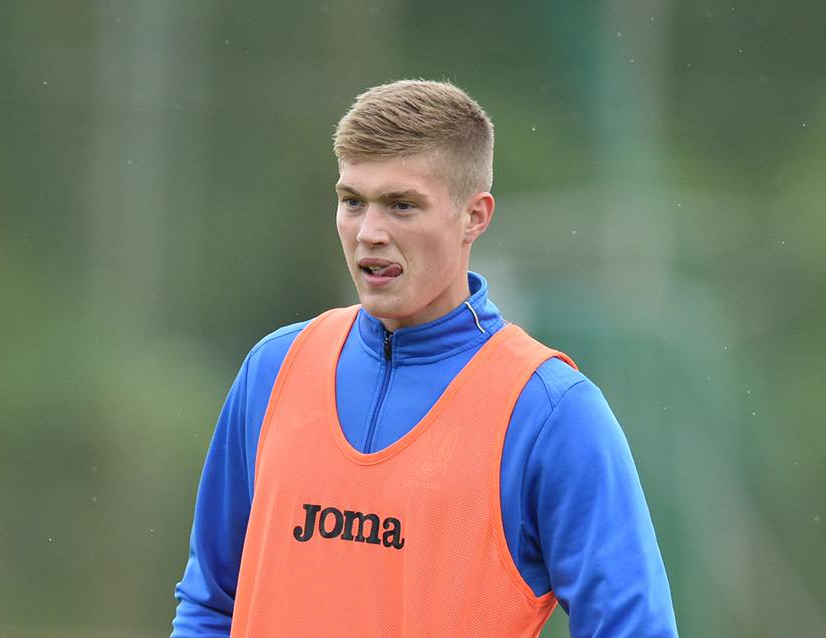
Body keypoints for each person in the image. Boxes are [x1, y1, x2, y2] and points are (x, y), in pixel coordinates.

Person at [170, 80, 678, 637]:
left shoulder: (548, 411)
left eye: (402, 206)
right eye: (352, 201)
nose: (369, 233)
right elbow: (210, 604)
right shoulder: (274, 369)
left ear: (474, 216)